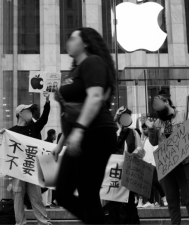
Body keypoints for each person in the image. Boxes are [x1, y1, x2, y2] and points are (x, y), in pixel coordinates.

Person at [51, 27, 117, 224]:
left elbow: (95, 97)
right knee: (62, 193)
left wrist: (79, 131)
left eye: (73, 38)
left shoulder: (93, 62)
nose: (68, 42)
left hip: (96, 133)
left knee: (88, 193)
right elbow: (71, 113)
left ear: (85, 43)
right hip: (78, 135)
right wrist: (61, 143)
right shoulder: (75, 70)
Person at [4, 91, 51, 225]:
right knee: (18, 197)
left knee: (36, 197)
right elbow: (7, 153)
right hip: (18, 171)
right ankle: (20, 223)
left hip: (33, 168)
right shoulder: (10, 131)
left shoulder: (34, 128)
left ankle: (43, 222)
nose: (30, 113)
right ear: (20, 114)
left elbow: (44, 118)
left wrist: (47, 101)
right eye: (27, 111)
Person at [145, 90, 189, 224]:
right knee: (172, 202)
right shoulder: (158, 123)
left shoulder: (183, 116)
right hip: (166, 166)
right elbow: (154, 142)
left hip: (184, 163)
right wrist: (151, 129)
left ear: (166, 102)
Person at [104, 107, 145, 224]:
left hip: (129, 173)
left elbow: (140, 150)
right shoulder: (110, 132)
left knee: (130, 204)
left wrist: (136, 153)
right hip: (112, 174)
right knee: (113, 205)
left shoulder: (133, 133)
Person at [138, 123, 167, 208]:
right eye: (143, 129)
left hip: (153, 163)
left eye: (145, 128)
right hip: (146, 163)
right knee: (149, 182)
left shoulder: (153, 138)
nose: (144, 130)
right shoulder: (144, 139)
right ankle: (152, 201)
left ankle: (163, 198)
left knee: (154, 181)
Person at [42, 129, 57, 208]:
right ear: (51, 135)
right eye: (54, 134)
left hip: (45, 165)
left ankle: (47, 202)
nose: (55, 136)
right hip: (48, 166)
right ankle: (47, 202)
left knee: (48, 186)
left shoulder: (44, 142)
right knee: (48, 186)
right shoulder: (50, 144)